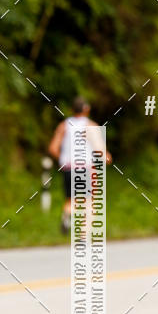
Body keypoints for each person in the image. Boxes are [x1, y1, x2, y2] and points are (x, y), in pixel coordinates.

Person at [48, 97, 112, 233]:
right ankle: (83, 235)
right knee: (89, 200)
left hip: (67, 167)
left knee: (70, 199)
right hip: (85, 168)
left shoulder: (63, 126)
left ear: (72, 110)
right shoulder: (90, 126)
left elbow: (53, 148)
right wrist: (107, 157)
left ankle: (67, 217)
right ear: (87, 109)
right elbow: (100, 150)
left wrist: (64, 160)